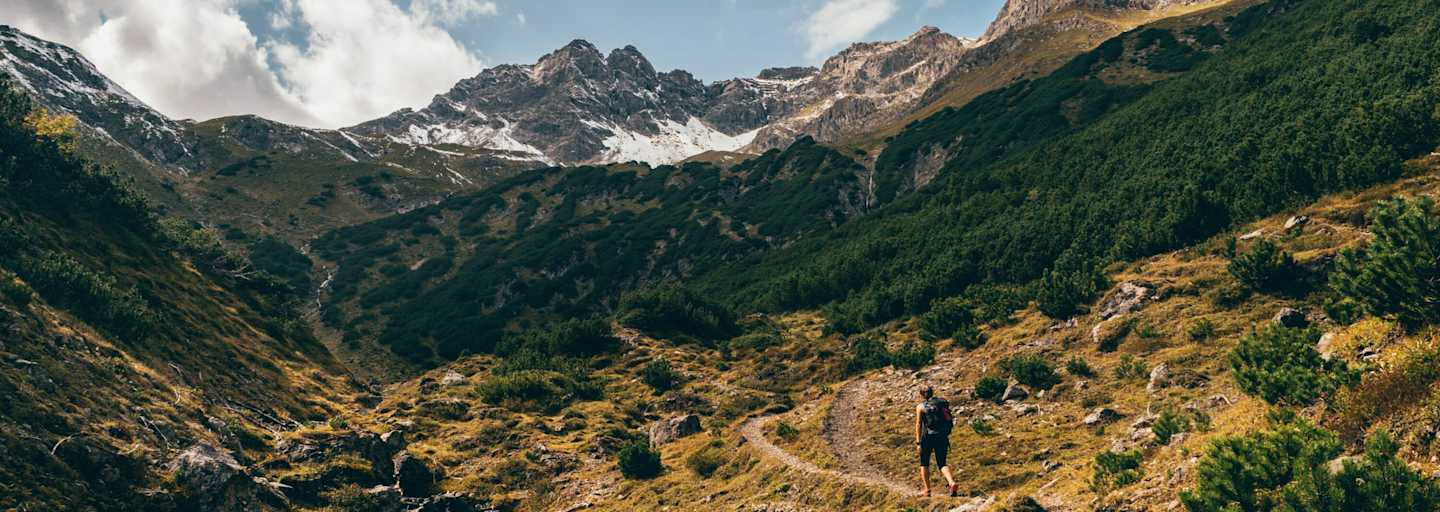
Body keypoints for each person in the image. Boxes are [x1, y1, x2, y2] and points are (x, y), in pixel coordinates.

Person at [915, 385, 957, 497]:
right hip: (942, 436)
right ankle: (951, 482)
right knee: (942, 463)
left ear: (922, 394)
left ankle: (927, 490)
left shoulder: (920, 407)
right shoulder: (942, 403)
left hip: (927, 438)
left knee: (924, 463)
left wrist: (918, 442)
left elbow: (918, 424)